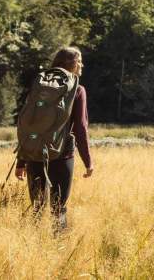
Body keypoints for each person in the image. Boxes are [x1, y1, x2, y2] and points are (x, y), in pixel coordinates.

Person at [15, 46, 93, 230]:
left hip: (35, 153)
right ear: (72, 64)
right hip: (62, 154)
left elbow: (31, 124)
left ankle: (33, 246)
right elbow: (81, 128)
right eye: (80, 61)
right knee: (59, 208)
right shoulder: (77, 89)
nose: (82, 65)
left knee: (37, 206)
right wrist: (88, 161)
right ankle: (59, 249)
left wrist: (21, 160)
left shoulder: (40, 85)